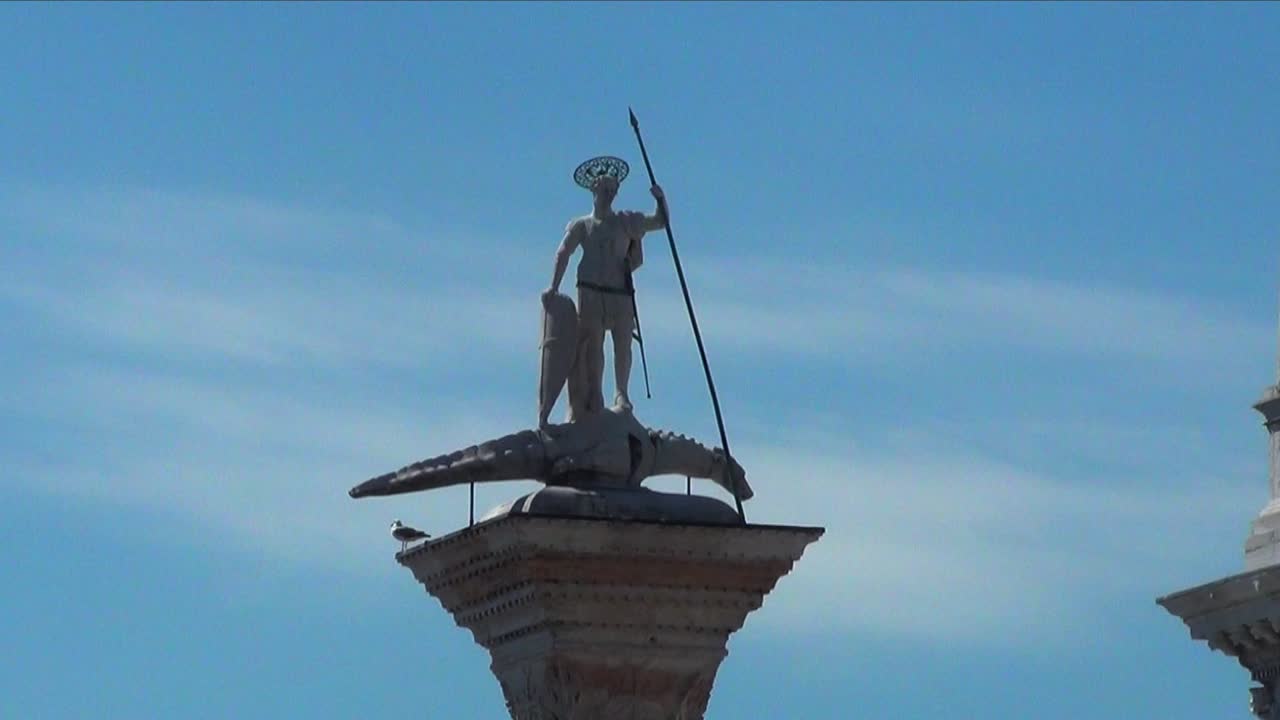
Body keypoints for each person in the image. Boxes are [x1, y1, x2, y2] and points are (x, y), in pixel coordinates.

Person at [544, 157, 667, 423]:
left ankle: (621, 393)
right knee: (593, 346)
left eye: (613, 190)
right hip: (590, 292)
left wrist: (660, 199)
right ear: (594, 190)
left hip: (619, 293)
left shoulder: (626, 221)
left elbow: (660, 222)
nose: (609, 194)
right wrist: (553, 287)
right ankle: (596, 394)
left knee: (623, 343)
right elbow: (563, 252)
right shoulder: (581, 225)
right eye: (605, 189)